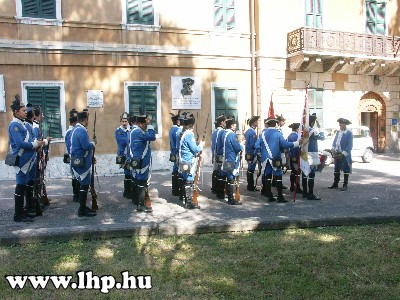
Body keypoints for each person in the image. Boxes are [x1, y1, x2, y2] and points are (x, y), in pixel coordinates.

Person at [8, 96, 46, 222]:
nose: (26, 112)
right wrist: (36, 145)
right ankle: (18, 215)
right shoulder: (14, 125)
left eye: (25, 110)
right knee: (20, 186)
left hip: (28, 161)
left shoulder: (24, 125)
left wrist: (39, 143)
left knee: (24, 186)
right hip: (21, 161)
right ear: (16, 112)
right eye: (23, 110)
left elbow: (31, 140)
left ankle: (23, 211)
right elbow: (20, 143)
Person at [256, 117, 300, 203]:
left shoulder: (262, 134)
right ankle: (280, 197)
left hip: (265, 159)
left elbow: (256, 145)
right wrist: (297, 143)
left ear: (268, 125)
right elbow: (284, 144)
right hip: (275, 157)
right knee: (278, 177)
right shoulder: (278, 133)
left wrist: (261, 152)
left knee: (268, 176)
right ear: (275, 124)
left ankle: (269, 196)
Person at [70, 110, 97, 217]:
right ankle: (82, 209)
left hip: (79, 159)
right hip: (82, 161)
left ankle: (83, 207)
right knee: (84, 184)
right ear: (85, 120)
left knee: (84, 184)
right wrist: (93, 143)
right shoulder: (81, 131)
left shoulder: (75, 129)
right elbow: (86, 146)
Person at [130, 109, 156, 212]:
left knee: (138, 181)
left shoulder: (134, 131)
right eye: (145, 124)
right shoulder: (138, 132)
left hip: (136, 160)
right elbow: (152, 137)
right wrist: (150, 126)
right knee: (142, 182)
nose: (146, 126)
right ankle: (140, 205)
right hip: (142, 161)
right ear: (140, 124)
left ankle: (137, 201)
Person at [178, 113, 204, 209]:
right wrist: (201, 145)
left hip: (184, 160)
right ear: (192, 125)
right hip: (189, 160)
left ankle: (187, 200)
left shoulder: (184, 134)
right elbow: (195, 149)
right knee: (189, 181)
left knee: (186, 180)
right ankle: (188, 202)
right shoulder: (189, 135)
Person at [302, 113, 325, 200]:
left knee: (304, 173)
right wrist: (321, 129)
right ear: (312, 122)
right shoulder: (312, 131)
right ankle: (310, 194)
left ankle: (304, 192)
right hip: (311, 155)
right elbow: (322, 137)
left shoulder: (304, 130)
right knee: (311, 174)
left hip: (304, 153)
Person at [222, 116, 243, 205]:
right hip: (231, 158)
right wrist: (241, 145)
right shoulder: (232, 135)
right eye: (234, 124)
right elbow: (237, 147)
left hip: (225, 158)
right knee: (231, 178)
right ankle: (231, 199)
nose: (235, 126)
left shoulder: (224, 133)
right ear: (231, 125)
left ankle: (229, 196)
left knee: (228, 177)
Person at [329, 118, 353, 191]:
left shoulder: (349, 133)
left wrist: (343, 154)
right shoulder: (338, 132)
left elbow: (350, 145)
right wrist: (333, 148)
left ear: (345, 124)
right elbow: (335, 141)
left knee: (346, 169)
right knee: (336, 169)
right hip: (337, 153)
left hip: (344, 154)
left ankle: (345, 185)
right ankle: (335, 183)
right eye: (339, 123)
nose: (340, 125)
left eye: (341, 123)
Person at [115, 112, 132, 198]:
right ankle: (127, 191)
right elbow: (123, 141)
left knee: (131, 172)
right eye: (123, 121)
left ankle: (130, 190)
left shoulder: (131, 129)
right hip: (123, 155)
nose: (124, 123)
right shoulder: (118, 131)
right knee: (127, 173)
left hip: (130, 154)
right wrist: (129, 134)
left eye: (126, 121)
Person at [65, 108, 79, 202]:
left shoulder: (73, 131)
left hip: (74, 156)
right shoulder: (70, 132)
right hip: (74, 156)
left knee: (76, 176)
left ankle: (77, 194)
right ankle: (76, 195)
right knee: (75, 176)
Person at [211, 114, 226, 194]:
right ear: (221, 123)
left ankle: (214, 188)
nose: (225, 123)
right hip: (220, 154)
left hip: (214, 154)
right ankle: (220, 192)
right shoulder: (223, 132)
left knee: (215, 171)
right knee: (221, 172)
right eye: (224, 121)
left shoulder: (214, 131)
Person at [244, 115, 260, 191]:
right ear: (253, 123)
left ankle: (250, 185)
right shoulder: (252, 132)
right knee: (251, 169)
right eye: (256, 122)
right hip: (252, 153)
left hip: (248, 153)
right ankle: (250, 186)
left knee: (249, 169)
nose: (257, 124)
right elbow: (253, 145)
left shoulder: (248, 131)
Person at [287, 123, 302, 193]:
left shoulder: (289, 136)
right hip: (296, 155)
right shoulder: (297, 136)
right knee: (297, 172)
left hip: (291, 155)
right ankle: (297, 187)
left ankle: (292, 186)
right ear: (297, 129)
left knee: (293, 172)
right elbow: (297, 147)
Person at [169, 111, 181, 196]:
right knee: (178, 169)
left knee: (174, 169)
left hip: (173, 152)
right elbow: (178, 143)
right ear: (177, 121)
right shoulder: (177, 130)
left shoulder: (171, 129)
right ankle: (177, 189)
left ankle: (174, 189)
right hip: (177, 152)